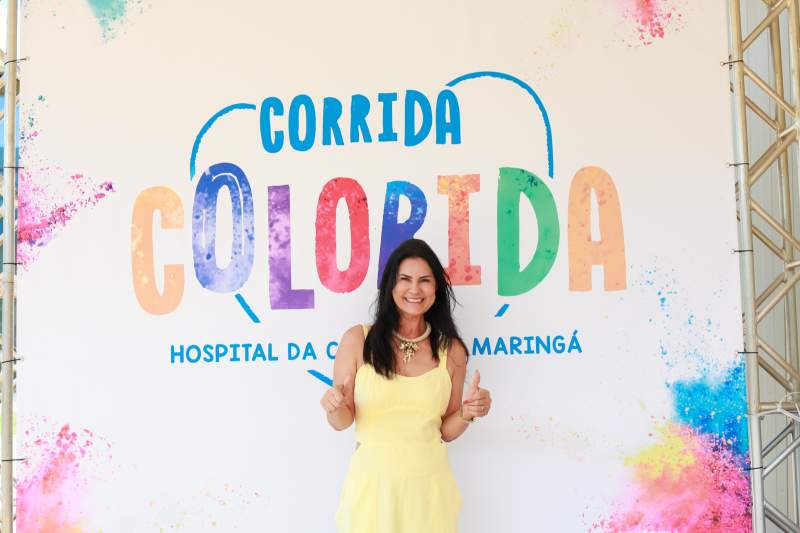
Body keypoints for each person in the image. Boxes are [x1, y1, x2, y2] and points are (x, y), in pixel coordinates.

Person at [320, 238, 492, 533]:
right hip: (372, 490)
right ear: (391, 286)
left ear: (436, 288)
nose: (415, 289)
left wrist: (468, 412)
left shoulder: (451, 351)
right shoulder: (357, 340)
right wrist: (334, 406)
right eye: (405, 279)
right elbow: (341, 421)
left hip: (429, 491)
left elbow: (446, 431)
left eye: (425, 280)